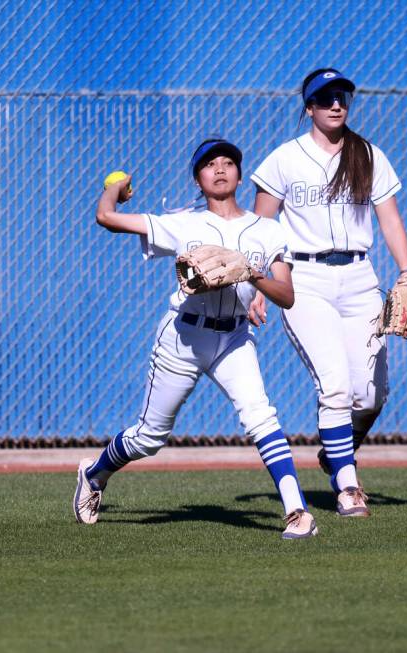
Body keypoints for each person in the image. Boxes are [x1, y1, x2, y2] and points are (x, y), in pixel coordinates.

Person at [73, 138, 318, 539]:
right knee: (149, 437)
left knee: (261, 416)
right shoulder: (182, 223)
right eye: (209, 164)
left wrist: (253, 274)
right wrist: (114, 189)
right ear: (198, 178)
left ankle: (297, 512)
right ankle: (95, 473)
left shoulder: (267, 231)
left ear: (239, 174)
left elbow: (286, 296)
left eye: (228, 163)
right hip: (183, 338)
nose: (220, 169)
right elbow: (106, 217)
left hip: (235, 338)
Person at [249, 68, 407, 517]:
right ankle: (347, 485)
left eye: (342, 96)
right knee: (335, 384)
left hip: (359, 277)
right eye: (325, 98)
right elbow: (261, 228)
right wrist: (256, 287)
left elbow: (389, 218)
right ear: (308, 107)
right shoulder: (284, 159)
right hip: (303, 280)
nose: (335, 104)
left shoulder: (367, 154)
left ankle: (336, 449)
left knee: (369, 395)